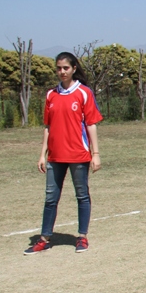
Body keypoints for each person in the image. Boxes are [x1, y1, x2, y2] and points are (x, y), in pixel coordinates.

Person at [24, 52, 103, 255]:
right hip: (55, 156)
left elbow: (91, 124)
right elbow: (47, 127)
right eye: (59, 68)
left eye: (65, 68)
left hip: (78, 155)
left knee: (82, 195)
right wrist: (42, 154)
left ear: (74, 68)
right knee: (51, 198)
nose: (62, 72)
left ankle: (82, 237)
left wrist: (96, 154)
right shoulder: (51, 94)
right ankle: (44, 238)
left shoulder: (84, 93)